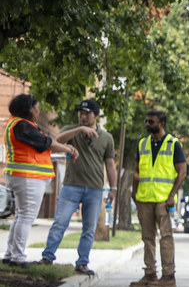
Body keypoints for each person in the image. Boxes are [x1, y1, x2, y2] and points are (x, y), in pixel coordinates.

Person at [38, 99, 117, 275]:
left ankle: (82, 263)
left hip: (94, 189)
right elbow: (57, 140)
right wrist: (81, 129)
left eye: (87, 113)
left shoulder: (107, 138)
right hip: (71, 186)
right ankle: (47, 257)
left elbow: (110, 165)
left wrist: (113, 189)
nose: (82, 116)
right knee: (60, 222)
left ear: (96, 115)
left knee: (89, 228)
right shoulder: (71, 130)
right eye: (80, 112)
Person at [3, 94, 78, 267]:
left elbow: (43, 147)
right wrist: (67, 149)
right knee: (26, 217)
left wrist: (63, 149)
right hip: (27, 177)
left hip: (24, 176)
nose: (38, 110)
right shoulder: (21, 125)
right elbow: (45, 143)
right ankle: (18, 257)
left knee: (21, 216)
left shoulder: (20, 124)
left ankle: (11, 254)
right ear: (28, 108)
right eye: (36, 107)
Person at [130, 109, 187, 287]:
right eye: (146, 121)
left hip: (164, 200)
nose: (147, 124)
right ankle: (150, 274)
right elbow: (137, 171)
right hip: (144, 198)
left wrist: (172, 195)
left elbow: (182, 172)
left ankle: (168, 276)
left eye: (151, 122)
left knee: (166, 237)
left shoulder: (173, 144)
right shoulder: (142, 144)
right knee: (147, 238)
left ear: (161, 123)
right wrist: (134, 192)